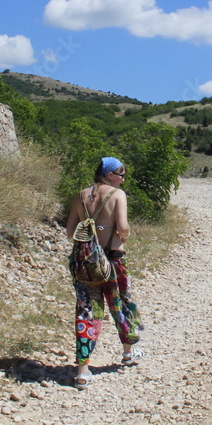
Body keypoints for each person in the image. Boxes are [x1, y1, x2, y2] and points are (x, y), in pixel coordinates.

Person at [65, 156, 143, 390]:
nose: (123, 179)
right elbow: (123, 227)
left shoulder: (81, 195)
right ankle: (128, 352)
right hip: (113, 259)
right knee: (120, 303)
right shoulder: (118, 195)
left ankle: (82, 370)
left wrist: (92, 235)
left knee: (87, 310)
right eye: (120, 174)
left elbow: (70, 232)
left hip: (86, 262)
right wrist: (123, 236)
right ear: (109, 174)